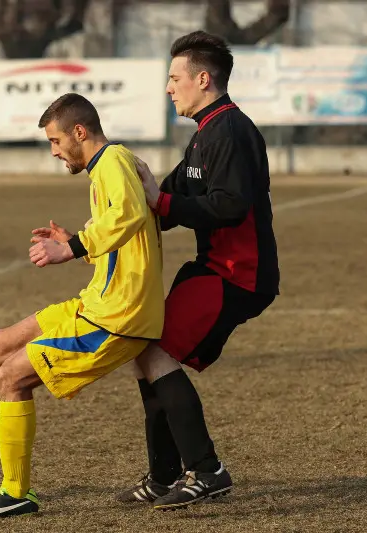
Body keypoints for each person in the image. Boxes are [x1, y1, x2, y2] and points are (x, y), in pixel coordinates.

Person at [0, 93, 172, 519]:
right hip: (99, 303)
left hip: (118, 317)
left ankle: (15, 491)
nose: (54, 152)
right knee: (1, 343)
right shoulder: (107, 167)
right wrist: (74, 241)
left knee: (12, 378)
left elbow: (132, 215)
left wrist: (74, 247)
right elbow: (126, 244)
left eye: (56, 141)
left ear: (80, 132)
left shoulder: (112, 161)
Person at [116, 30, 281, 509]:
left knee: (154, 351)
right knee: (146, 352)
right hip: (214, 266)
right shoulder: (205, 134)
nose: (169, 88)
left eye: (175, 77)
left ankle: (206, 471)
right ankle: (164, 476)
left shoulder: (230, 130)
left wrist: (162, 199)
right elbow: (167, 203)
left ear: (203, 79)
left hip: (238, 272)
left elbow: (229, 206)